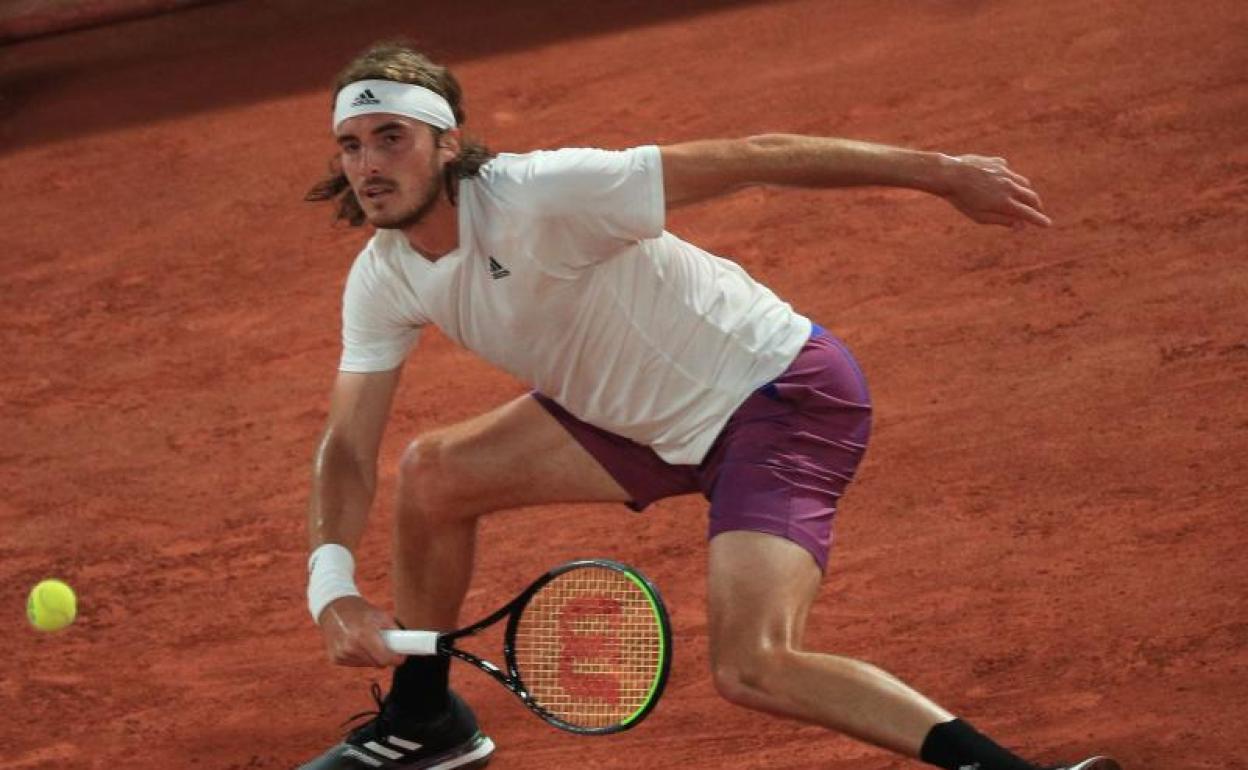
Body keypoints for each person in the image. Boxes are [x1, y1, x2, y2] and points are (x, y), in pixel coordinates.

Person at [297, 40, 1119, 770]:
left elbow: (753, 157)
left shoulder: (543, 195)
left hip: (772, 398)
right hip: (630, 419)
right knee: (434, 475)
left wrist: (942, 173)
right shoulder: (384, 273)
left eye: (391, 138)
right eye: (352, 145)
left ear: (446, 143)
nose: (369, 165)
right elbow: (348, 445)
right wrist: (332, 587)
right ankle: (425, 717)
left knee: (754, 665)